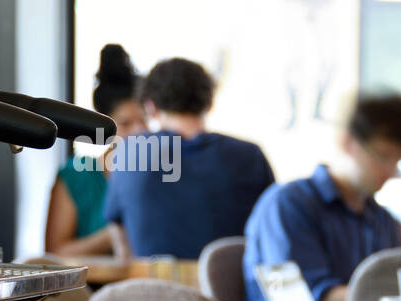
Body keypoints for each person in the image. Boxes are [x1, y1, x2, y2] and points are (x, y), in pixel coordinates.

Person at [242, 92, 401, 301]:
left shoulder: (384, 222)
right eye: (383, 156)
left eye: (397, 160)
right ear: (347, 142)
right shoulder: (288, 205)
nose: (390, 171)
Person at [102, 57, 275, 260]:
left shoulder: (129, 152)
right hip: (227, 288)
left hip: (153, 289)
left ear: (150, 107)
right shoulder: (250, 156)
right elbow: (271, 230)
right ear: (208, 103)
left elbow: (119, 235)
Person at [44, 44, 147, 256]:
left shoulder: (160, 173)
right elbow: (54, 254)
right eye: (126, 124)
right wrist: (113, 234)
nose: (138, 133)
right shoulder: (77, 175)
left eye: (144, 122)